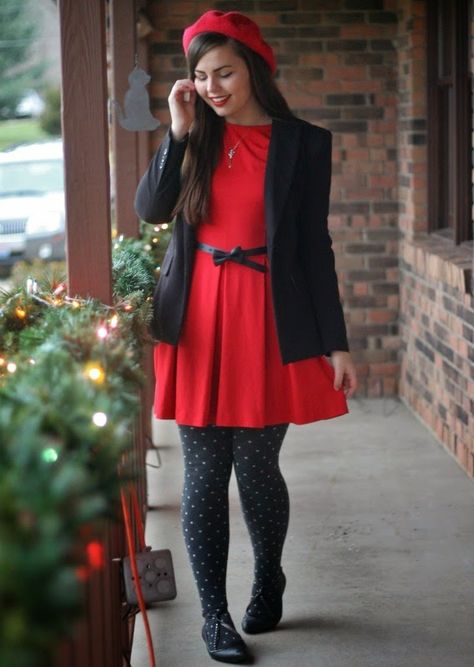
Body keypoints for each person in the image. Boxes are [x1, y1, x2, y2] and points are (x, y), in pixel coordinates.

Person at [135, 9, 358, 664]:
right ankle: (215, 617)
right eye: (200, 76)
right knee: (205, 469)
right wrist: (177, 131)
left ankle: (269, 575)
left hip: (270, 317)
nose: (211, 86)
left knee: (257, 465)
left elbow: (314, 248)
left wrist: (335, 340)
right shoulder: (195, 134)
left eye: (224, 72)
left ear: (256, 66)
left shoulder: (304, 143)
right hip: (198, 317)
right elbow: (150, 208)